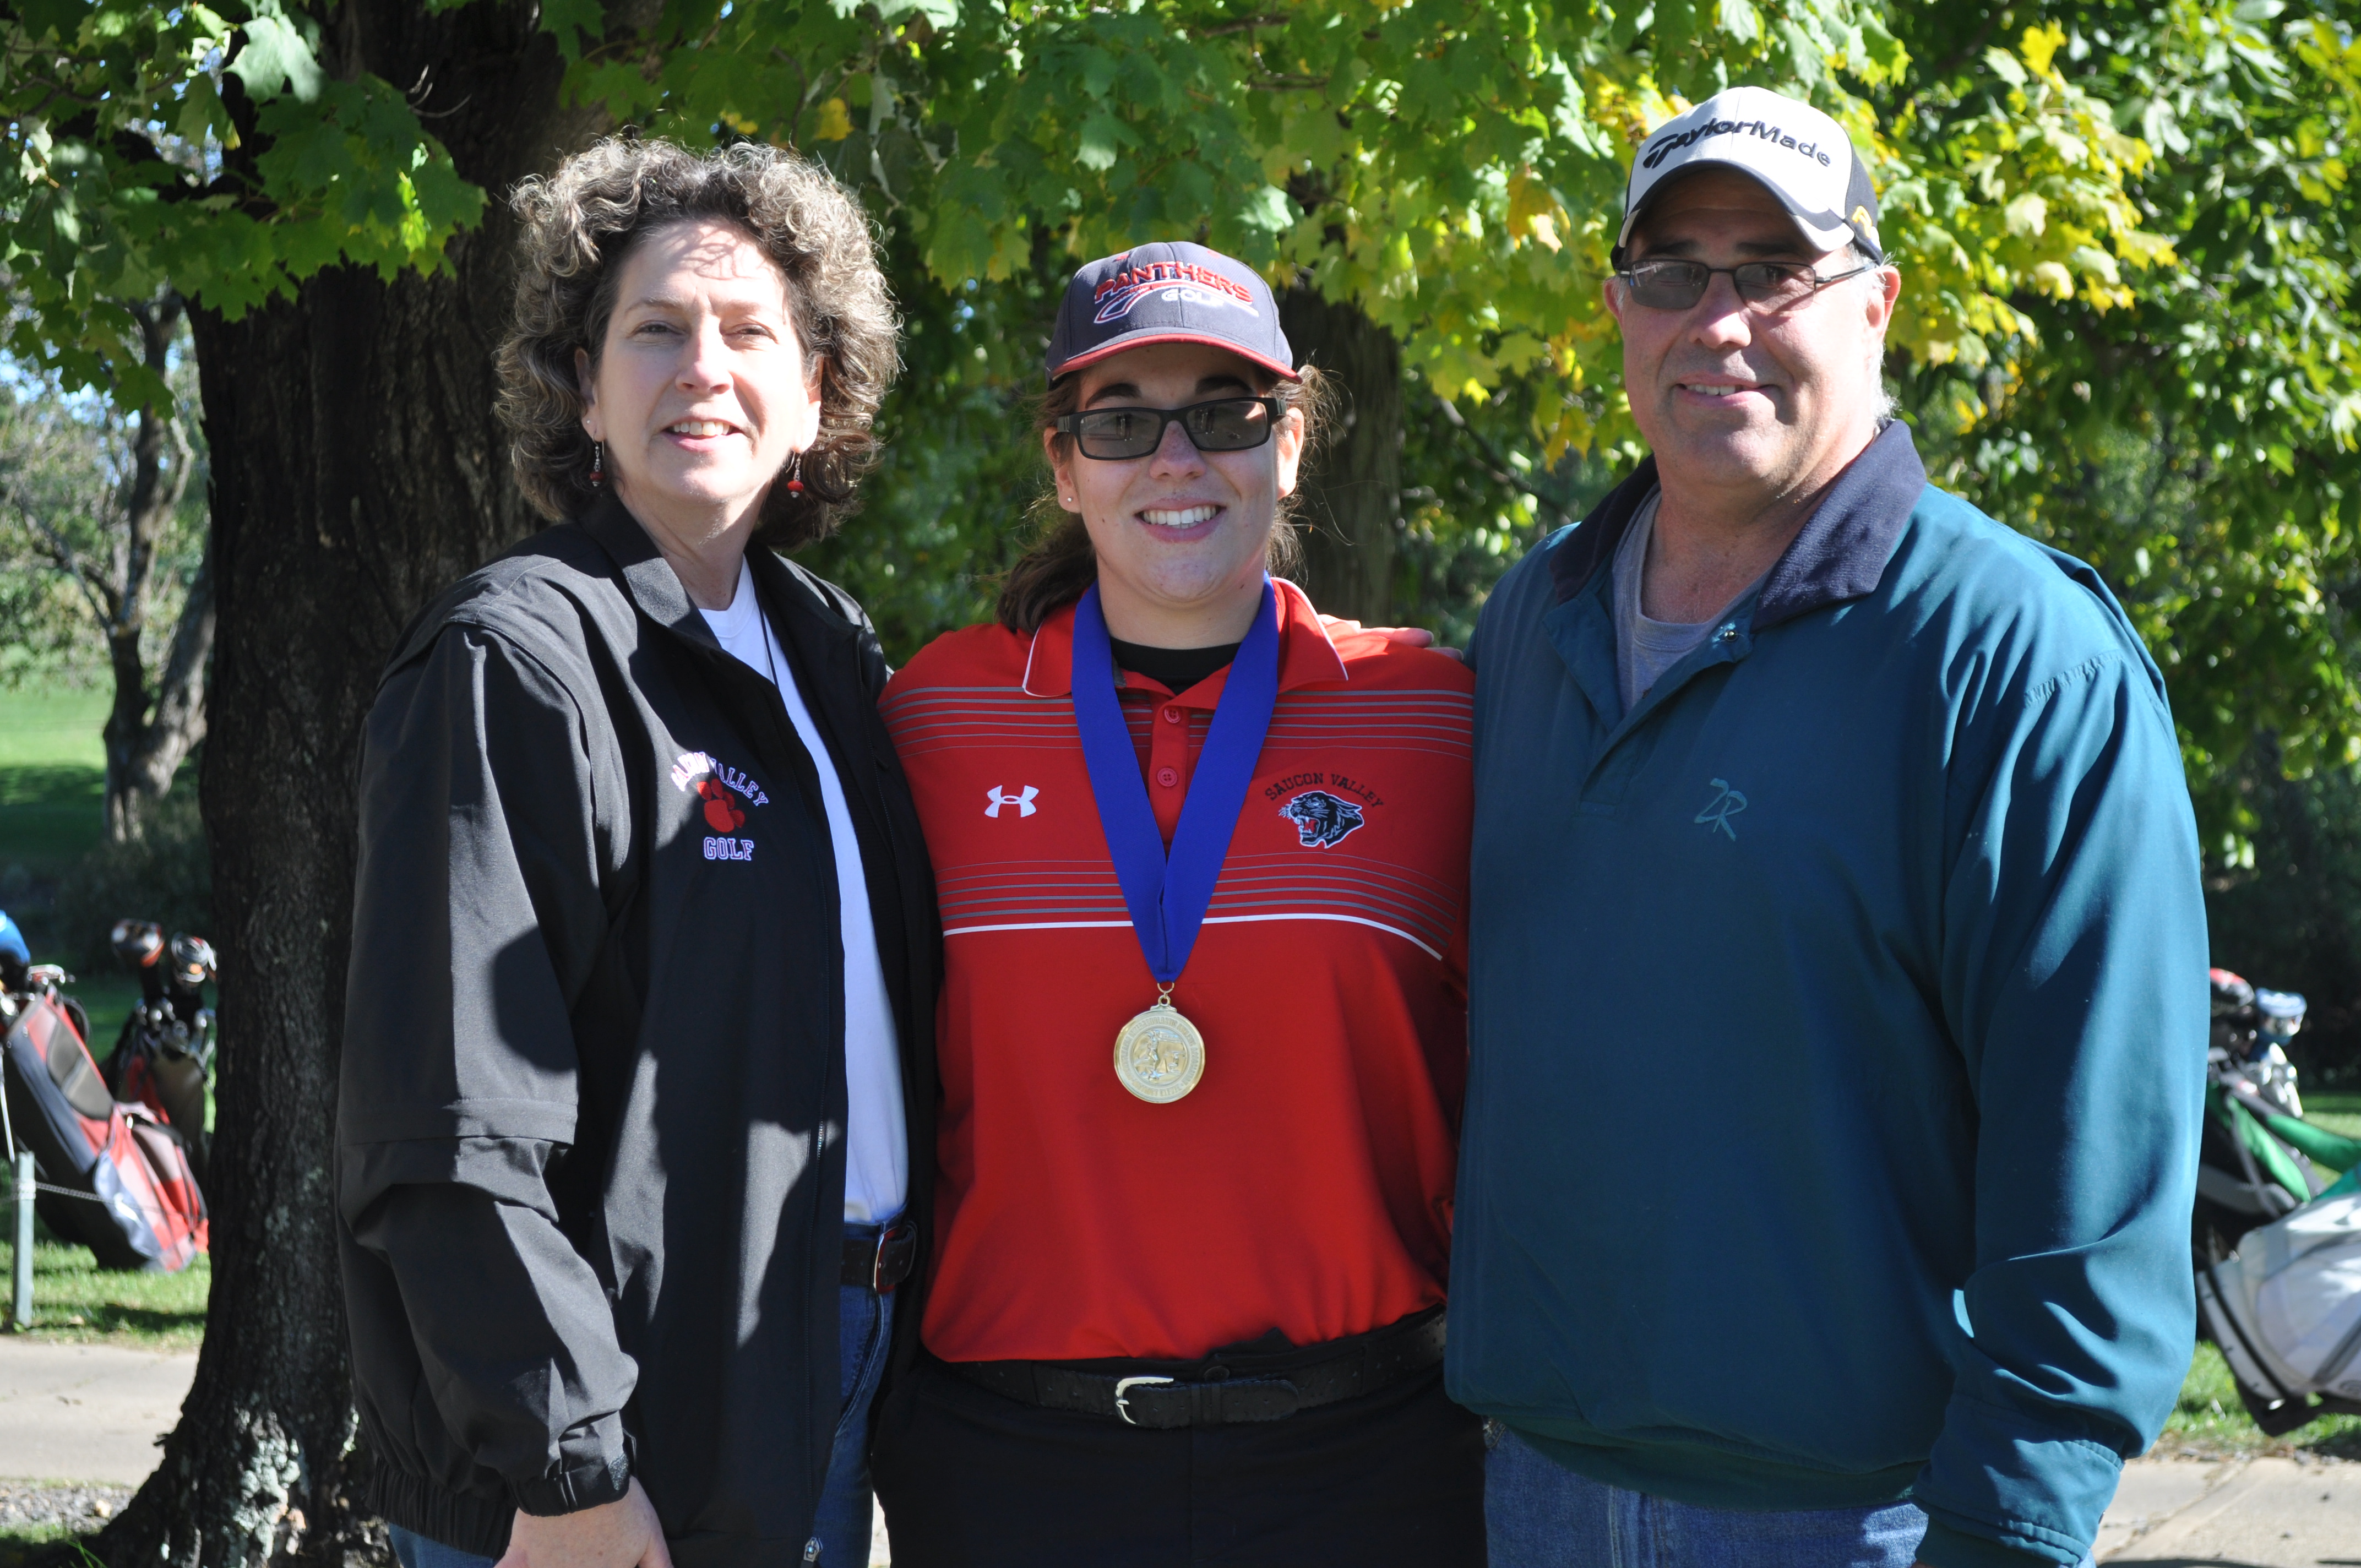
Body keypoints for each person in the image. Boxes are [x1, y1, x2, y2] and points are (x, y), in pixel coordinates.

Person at [1447, 86, 2208, 1568]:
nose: (1716, 317)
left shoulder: (2016, 660)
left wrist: (2004, 1531)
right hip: (1531, 1491)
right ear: (1617, 308)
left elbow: (2099, 1184)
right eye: (1674, 271)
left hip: (1869, 1519)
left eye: (1772, 269)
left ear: (1876, 303)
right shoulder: (1530, 621)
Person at [335, 138, 937, 1568]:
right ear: (582, 387)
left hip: (821, 1368)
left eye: (748, 334)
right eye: (654, 331)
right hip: (606, 1440)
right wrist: (570, 1465)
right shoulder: (516, 659)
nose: (701, 368)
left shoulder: (831, 658)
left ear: (817, 398)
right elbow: (449, 1119)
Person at [868, 241, 1484, 1566]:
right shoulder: (935, 717)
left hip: (1367, 1459)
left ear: (1292, 443)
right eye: (1121, 419)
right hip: (1013, 1467)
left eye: (1223, 411)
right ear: (1061, 460)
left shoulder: (1433, 716)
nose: (1175, 455)